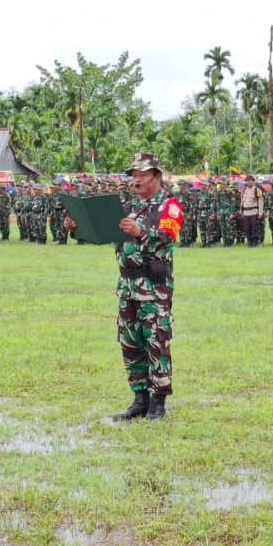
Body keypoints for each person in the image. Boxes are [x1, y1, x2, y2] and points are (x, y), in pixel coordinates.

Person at [64, 152, 184, 421]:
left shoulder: (170, 206)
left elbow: (168, 237)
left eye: (142, 174)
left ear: (157, 176)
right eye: (133, 174)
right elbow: (102, 235)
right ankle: (139, 398)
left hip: (154, 287)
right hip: (128, 286)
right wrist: (75, 228)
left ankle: (158, 402)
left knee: (156, 342)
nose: (136, 179)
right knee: (131, 343)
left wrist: (141, 232)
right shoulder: (128, 208)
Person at [239, 175, 265, 247]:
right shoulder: (244, 190)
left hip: (254, 211)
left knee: (254, 228)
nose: (248, 182)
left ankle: (255, 242)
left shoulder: (257, 190)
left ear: (253, 181)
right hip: (246, 212)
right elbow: (242, 202)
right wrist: (241, 212)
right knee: (247, 228)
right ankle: (249, 242)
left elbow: (260, 201)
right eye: (247, 181)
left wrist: (260, 212)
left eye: (250, 180)